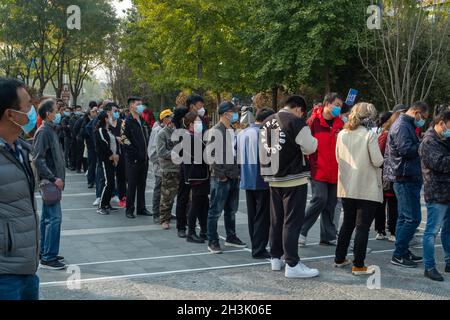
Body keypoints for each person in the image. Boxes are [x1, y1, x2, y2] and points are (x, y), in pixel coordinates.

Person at [260, 96, 318, 278]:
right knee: (292, 221)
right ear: (299, 109)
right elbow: (310, 147)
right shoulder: (296, 122)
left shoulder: (267, 121)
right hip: (293, 178)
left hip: (272, 176)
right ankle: (292, 263)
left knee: (276, 219)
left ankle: (275, 258)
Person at [0, 78, 40, 300]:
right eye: (26, 106)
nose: (31, 111)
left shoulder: (22, 150)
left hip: (28, 268)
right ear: (10, 114)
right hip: (4, 274)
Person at [334, 102, 383, 275]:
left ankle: (339, 258)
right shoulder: (369, 135)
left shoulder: (342, 134)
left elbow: (338, 158)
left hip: (347, 185)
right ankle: (359, 264)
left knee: (347, 224)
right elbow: (378, 161)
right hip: (367, 186)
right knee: (362, 227)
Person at [384, 101, 429, 268]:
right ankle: (398, 254)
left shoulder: (405, 124)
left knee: (404, 217)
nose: (422, 120)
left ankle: (402, 251)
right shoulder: (402, 125)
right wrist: (422, 144)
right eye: (422, 117)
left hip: (407, 175)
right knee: (413, 218)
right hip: (404, 176)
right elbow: (406, 150)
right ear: (416, 112)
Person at [300, 93, 344, 246]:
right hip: (318, 169)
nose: (339, 108)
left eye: (340, 106)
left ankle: (328, 235)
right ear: (327, 104)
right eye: (336, 104)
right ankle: (301, 230)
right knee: (319, 199)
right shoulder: (313, 122)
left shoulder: (340, 124)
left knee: (331, 203)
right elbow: (304, 144)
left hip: (335, 170)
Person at [206, 101, 247, 254]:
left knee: (231, 210)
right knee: (215, 211)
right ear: (224, 114)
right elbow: (211, 156)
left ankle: (231, 237)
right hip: (221, 178)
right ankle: (213, 240)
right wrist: (221, 175)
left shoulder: (233, 130)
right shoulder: (215, 131)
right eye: (232, 111)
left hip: (234, 176)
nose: (235, 114)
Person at [32, 99, 66, 270]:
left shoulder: (51, 130)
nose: (58, 113)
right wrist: (54, 178)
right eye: (55, 110)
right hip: (49, 182)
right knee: (54, 219)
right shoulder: (44, 131)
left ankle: (45, 252)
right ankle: (48, 257)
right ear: (48, 113)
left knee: (47, 219)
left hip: (52, 181)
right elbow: (38, 159)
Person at [238, 107, 274, 259]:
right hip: (262, 178)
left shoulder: (242, 133)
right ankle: (259, 248)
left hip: (246, 176)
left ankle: (255, 244)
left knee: (252, 214)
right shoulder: (264, 133)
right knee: (262, 216)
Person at [419, 110, 450, 281]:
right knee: (431, 231)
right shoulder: (429, 141)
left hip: (447, 191)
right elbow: (438, 163)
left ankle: (449, 261)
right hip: (437, 192)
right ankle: (429, 267)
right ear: (442, 122)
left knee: (448, 230)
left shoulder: (444, 139)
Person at [181, 112, 210, 243]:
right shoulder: (191, 138)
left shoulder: (194, 137)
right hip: (196, 175)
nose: (201, 125)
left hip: (200, 175)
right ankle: (191, 232)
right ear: (191, 124)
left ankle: (204, 230)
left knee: (203, 204)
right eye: (198, 122)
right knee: (196, 204)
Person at [121, 97, 150, 218]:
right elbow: (123, 139)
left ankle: (141, 208)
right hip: (133, 159)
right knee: (132, 185)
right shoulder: (127, 122)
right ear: (131, 106)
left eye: (141, 104)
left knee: (142, 184)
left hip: (144, 158)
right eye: (138, 104)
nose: (141, 106)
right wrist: (134, 153)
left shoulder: (142, 120)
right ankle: (129, 209)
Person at [375, 111, 399, 242]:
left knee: (391, 203)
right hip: (386, 173)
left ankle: (391, 230)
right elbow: (379, 154)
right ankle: (382, 230)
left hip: (388, 173)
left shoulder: (388, 134)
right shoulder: (385, 135)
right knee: (385, 202)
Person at [156, 109, 180, 230]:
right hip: (169, 169)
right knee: (167, 196)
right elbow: (161, 152)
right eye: (170, 118)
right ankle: (164, 219)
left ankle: (183, 218)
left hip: (180, 168)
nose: (172, 121)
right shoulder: (162, 134)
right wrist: (176, 154)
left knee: (183, 196)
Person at [94, 112, 120, 215]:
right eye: (109, 116)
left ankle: (106, 203)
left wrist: (116, 155)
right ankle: (101, 206)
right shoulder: (100, 130)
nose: (111, 117)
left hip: (112, 160)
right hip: (106, 160)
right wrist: (111, 155)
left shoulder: (108, 130)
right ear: (105, 119)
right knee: (107, 182)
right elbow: (103, 143)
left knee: (111, 182)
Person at [148, 111, 166, 224]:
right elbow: (152, 150)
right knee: (158, 189)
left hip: (167, 166)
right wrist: (158, 162)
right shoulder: (157, 130)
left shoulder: (168, 130)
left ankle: (164, 211)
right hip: (159, 165)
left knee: (166, 190)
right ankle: (156, 213)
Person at [108, 103, 127, 207]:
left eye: (117, 111)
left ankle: (122, 196)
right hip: (110, 154)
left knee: (122, 176)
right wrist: (116, 138)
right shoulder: (106, 124)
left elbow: (127, 136)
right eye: (114, 111)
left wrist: (122, 139)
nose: (116, 113)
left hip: (121, 153)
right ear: (109, 112)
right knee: (109, 177)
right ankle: (109, 196)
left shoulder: (122, 123)